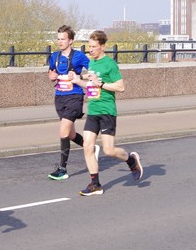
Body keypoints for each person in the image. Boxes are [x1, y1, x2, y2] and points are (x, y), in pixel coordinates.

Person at [77, 30, 143, 196]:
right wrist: (78, 81)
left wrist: (101, 84)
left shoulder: (110, 64)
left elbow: (121, 87)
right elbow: (92, 85)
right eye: (89, 47)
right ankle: (95, 184)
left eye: (94, 47)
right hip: (93, 110)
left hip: (107, 111)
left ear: (102, 46)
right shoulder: (92, 64)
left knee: (109, 150)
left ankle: (131, 160)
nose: (90, 50)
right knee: (87, 146)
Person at [46, 25, 90, 180]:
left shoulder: (79, 56)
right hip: (59, 97)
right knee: (70, 134)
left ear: (70, 41)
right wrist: (51, 76)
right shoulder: (54, 56)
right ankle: (90, 147)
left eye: (63, 39)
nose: (60, 42)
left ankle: (62, 169)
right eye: (58, 39)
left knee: (63, 132)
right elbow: (51, 72)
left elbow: (94, 72)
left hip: (74, 97)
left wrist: (79, 77)